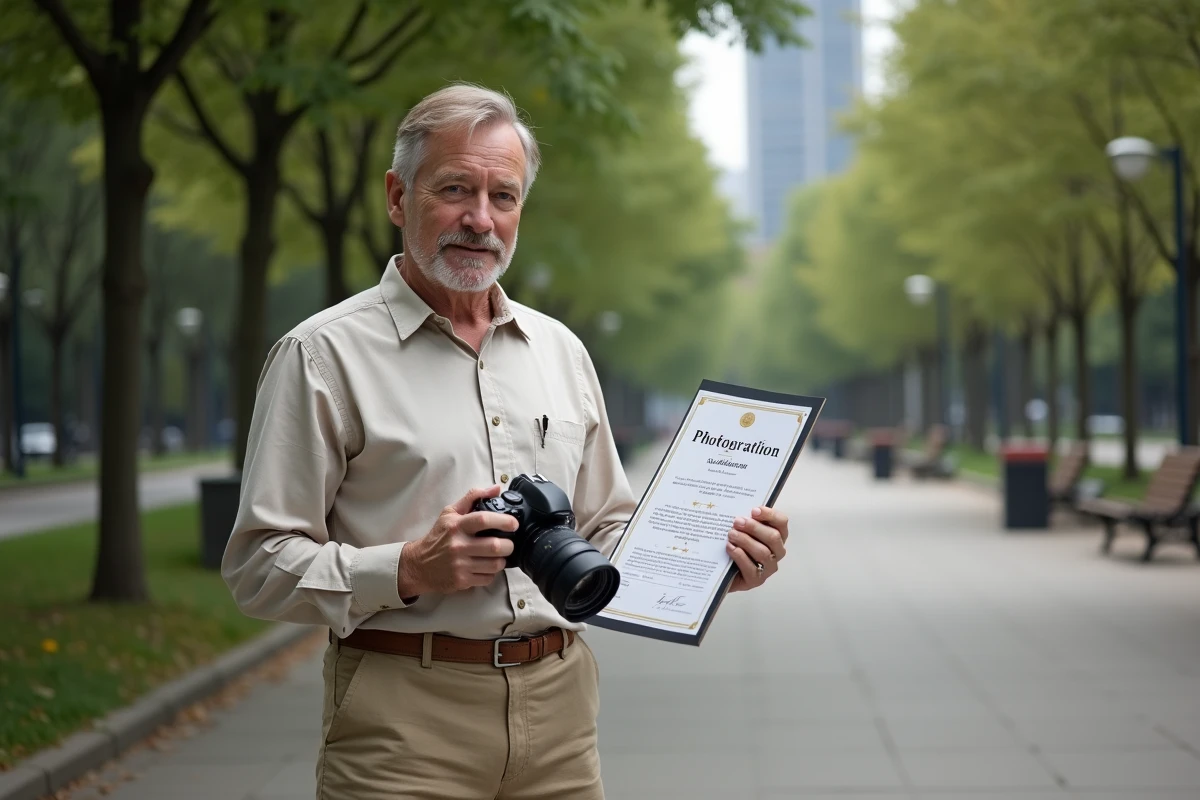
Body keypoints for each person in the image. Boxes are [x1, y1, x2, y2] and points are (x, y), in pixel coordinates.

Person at [221, 82, 790, 800]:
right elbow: (257, 564)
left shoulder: (561, 350)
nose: (480, 219)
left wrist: (719, 563)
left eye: (504, 196)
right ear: (399, 198)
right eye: (455, 189)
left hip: (561, 715)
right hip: (402, 723)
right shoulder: (320, 357)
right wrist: (408, 569)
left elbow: (609, 526)